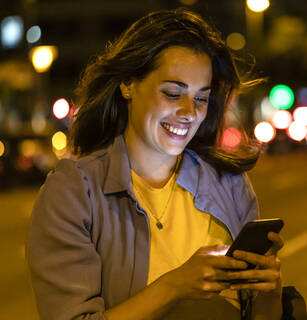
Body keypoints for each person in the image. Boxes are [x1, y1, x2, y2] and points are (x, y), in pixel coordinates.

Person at [26, 8, 286, 320]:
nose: (189, 112)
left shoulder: (228, 183)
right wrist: (174, 286)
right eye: (173, 93)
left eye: (201, 98)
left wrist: (269, 290)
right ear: (128, 85)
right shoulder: (74, 192)